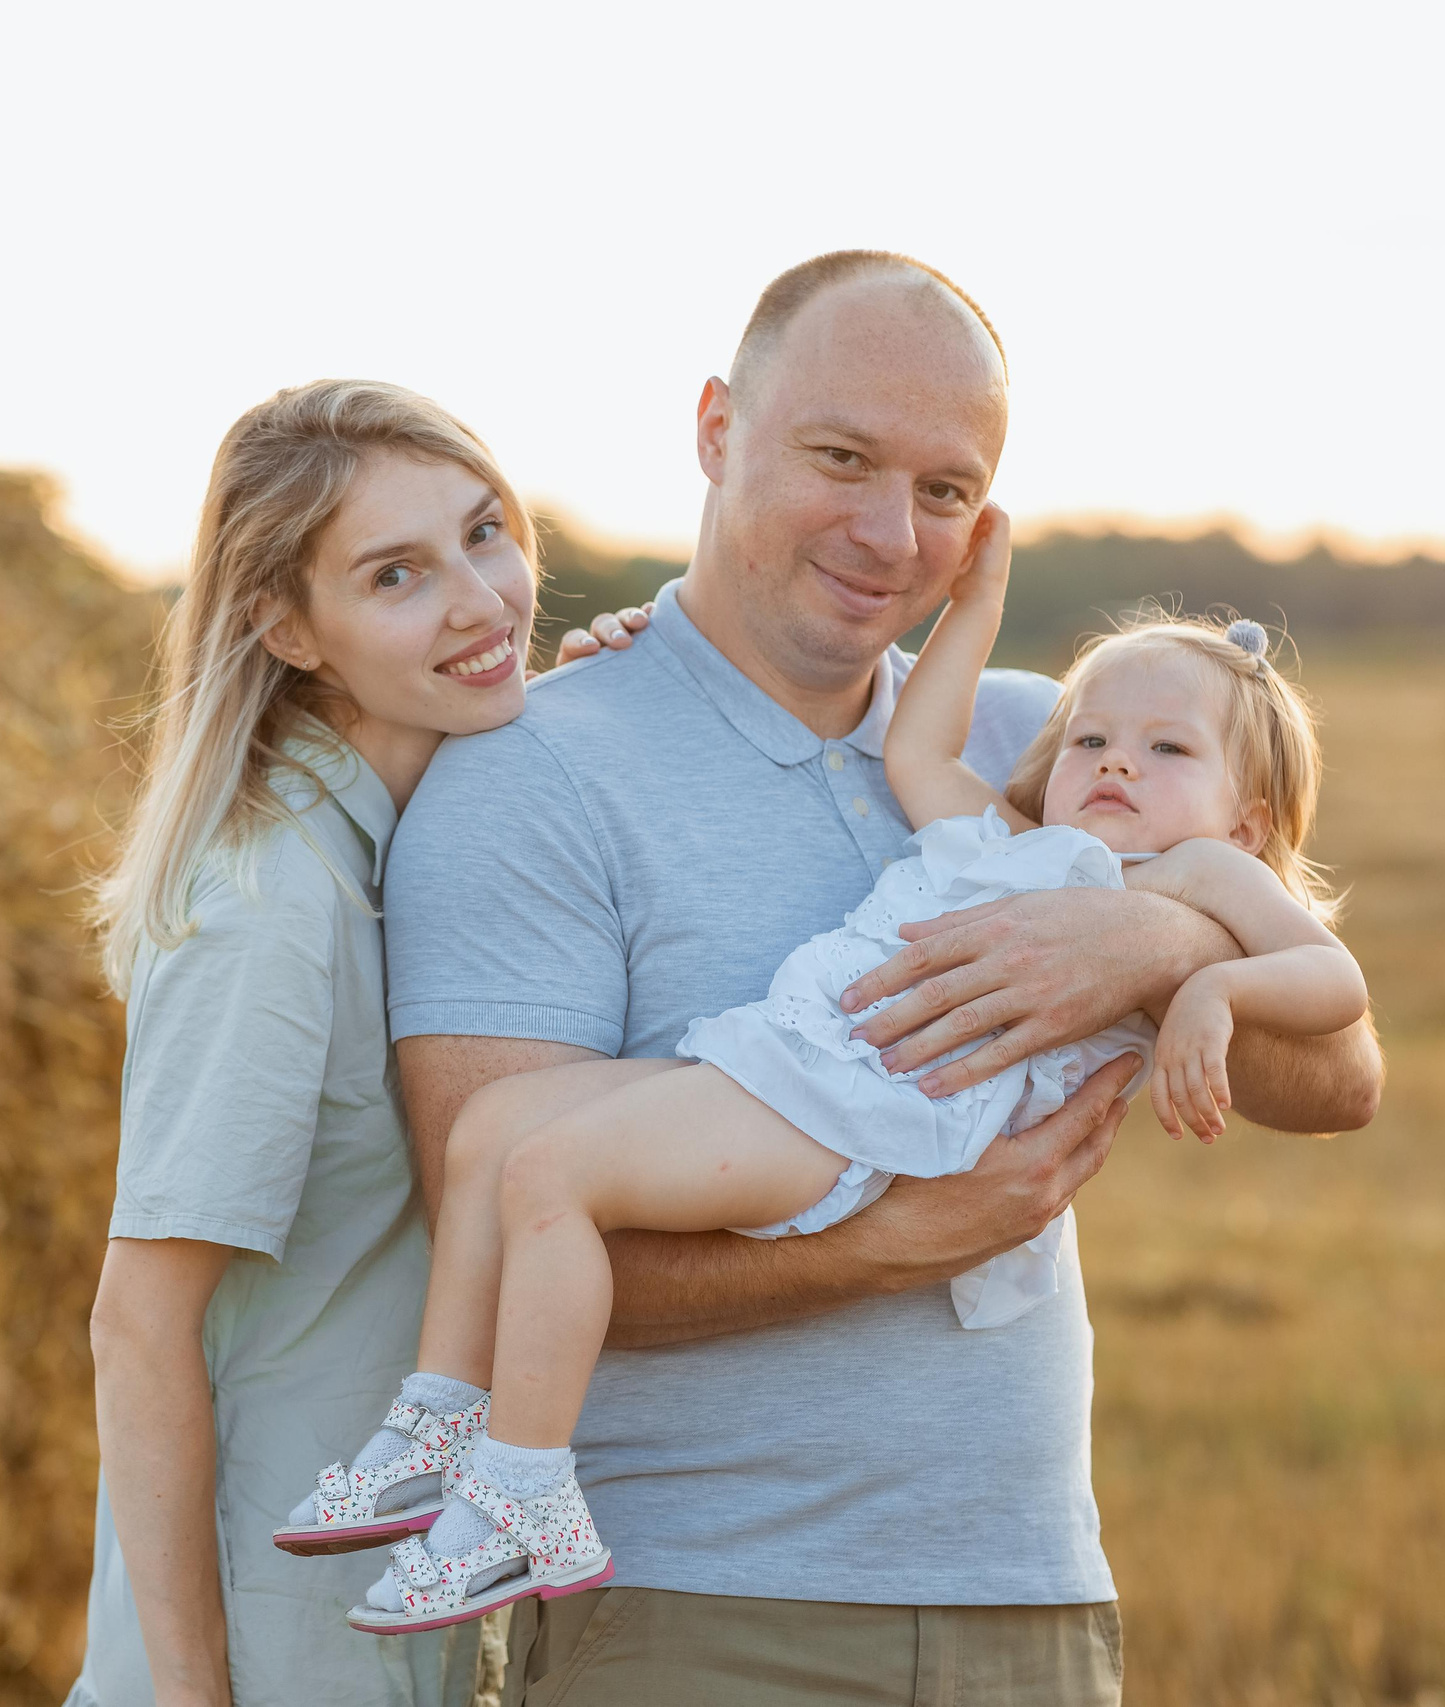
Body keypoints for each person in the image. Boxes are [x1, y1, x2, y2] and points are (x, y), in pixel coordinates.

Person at [380, 251, 1386, 1705]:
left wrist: (1155, 944)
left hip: (1028, 1601)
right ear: (719, 428)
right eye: (841, 459)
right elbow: (496, 1219)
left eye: (944, 488)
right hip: (695, 1617)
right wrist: (903, 1241)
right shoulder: (528, 774)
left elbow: (1344, 1077)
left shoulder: (1058, 752)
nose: (887, 532)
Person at [73, 379, 646, 1707]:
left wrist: (618, 708)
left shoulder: (410, 851)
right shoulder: (277, 907)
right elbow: (137, 1324)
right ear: (287, 626)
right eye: (398, 575)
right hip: (278, 1657)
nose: (483, 600)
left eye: (485, 534)